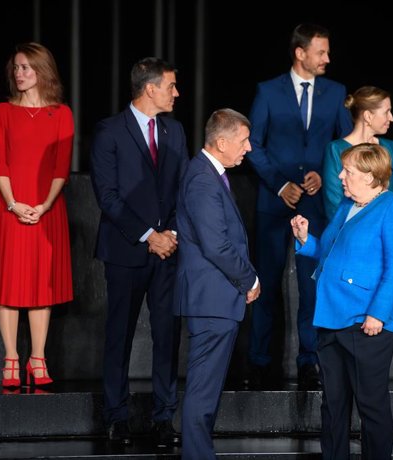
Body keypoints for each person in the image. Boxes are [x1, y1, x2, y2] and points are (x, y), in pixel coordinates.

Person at [246, 23, 352, 390]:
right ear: (300, 53)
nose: (327, 58)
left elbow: (344, 144)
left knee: (312, 286)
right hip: (275, 204)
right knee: (266, 284)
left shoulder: (336, 92)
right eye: (321, 52)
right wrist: (279, 185)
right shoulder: (268, 91)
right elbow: (252, 144)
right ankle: (259, 362)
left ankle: (310, 362)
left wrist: (326, 175)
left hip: (316, 204)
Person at [291, 142, 393, 459]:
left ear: (371, 176)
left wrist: (377, 315)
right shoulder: (347, 208)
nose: (341, 177)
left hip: (366, 323)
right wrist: (306, 240)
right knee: (333, 405)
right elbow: (328, 253)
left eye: (349, 171)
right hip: (332, 318)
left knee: (370, 404)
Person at [90, 57, 189, 446]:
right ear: (150, 89)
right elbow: (108, 197)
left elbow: (183, 188)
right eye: (171, 86)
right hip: (126, 250)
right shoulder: (109, 132)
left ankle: (165, 417)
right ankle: (116, 416)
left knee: (167, 335)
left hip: (169, 250)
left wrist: (172, 233)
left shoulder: (176, 131)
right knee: (120, 335)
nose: (176, 93)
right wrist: (150, 235)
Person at [0, 42, 74, 390]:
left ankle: (38, 356)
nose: (19, 74)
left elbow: (61, 166)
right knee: (9, 286)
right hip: (11, 209)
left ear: (42, 71)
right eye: (16, 68)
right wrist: (13, 202)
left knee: (40, 288)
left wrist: (45, 205)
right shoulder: (2, 111)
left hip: (46, 210)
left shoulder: (61, 113)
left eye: (26, 68)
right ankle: (11, 358)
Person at [174, 108, 260, 459]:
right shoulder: (202, 179)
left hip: (216, 299)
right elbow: (217, 245)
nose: (249, 148)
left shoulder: (211, 174)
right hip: (212, 299)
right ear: (221, 142)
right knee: (202, 391)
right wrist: (249, 278)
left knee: (206, 390)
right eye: (243, 141)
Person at [323, 85, 393, 219]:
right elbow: (334, 204)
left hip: (387, 225)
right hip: (352, 231)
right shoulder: (336, 149)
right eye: (387, 112)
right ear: (368, 116)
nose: (391, 118)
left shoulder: (391, 147)